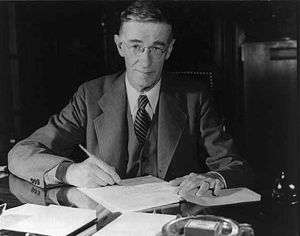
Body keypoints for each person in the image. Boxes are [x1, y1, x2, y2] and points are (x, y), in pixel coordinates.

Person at [8, 0, 253, 196]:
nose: (145, 62)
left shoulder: (195, 98)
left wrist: (212, 178)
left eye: (156, 48)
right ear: (119, 46)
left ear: (169, 50)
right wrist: (69, 171)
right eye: (136, 46)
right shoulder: (90, 96)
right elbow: (21, 153)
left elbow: (235, 166)